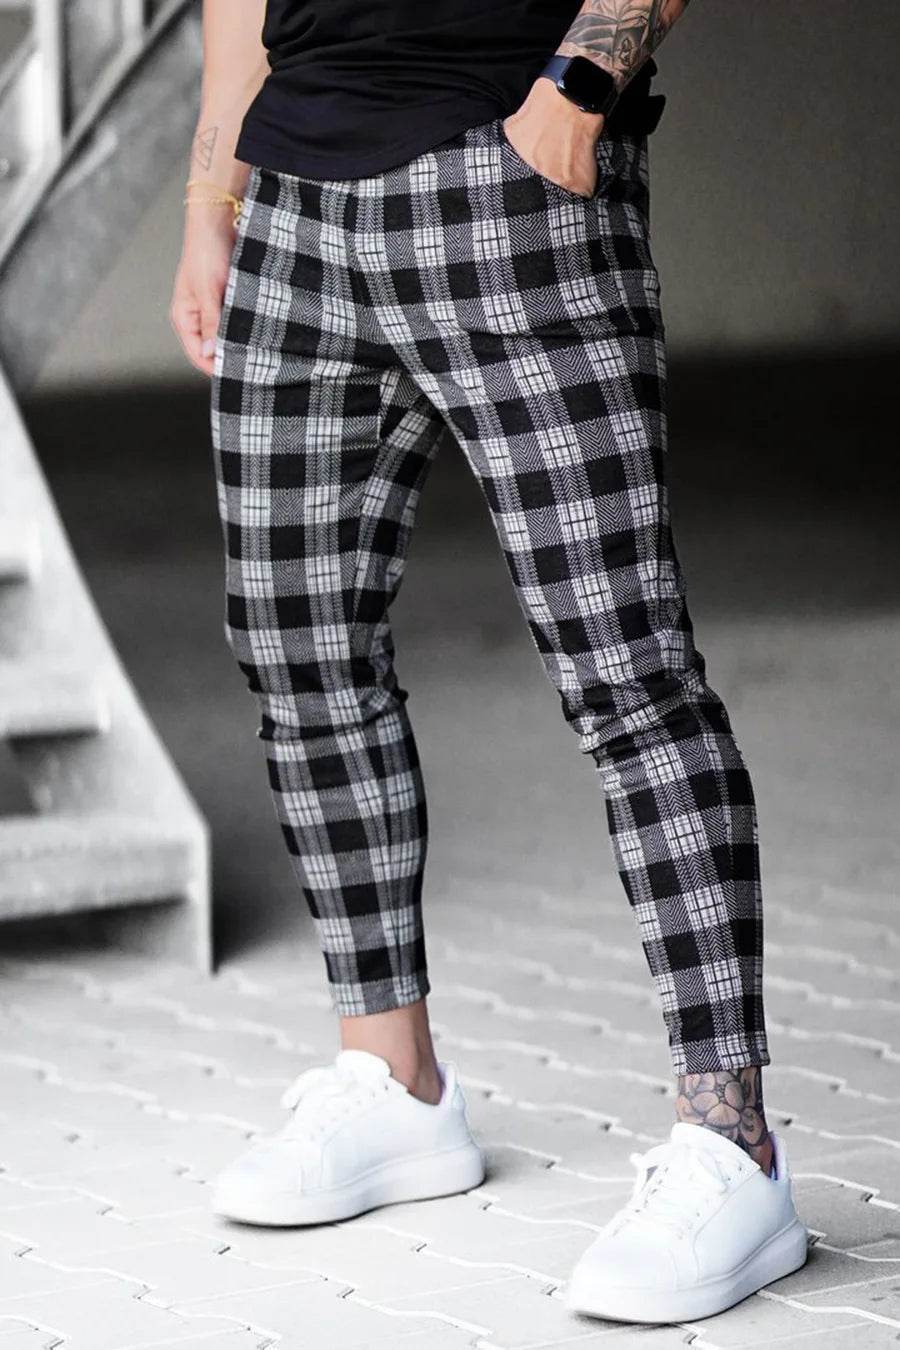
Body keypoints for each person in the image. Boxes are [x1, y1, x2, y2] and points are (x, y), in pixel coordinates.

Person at [170, 0, 808, 1323]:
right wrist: (211, 197)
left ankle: (731, 1145)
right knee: (298, 648)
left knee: (624, 668)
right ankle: (393, 1080)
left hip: (508, 182)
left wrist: (577, 93)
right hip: (293, 198)